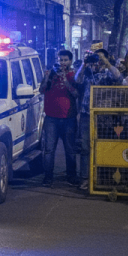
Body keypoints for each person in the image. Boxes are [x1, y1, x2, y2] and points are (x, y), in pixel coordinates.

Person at [75, 48, 122, 191]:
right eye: (96, 59)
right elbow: (77, 79)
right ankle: (85, 179)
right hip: (86, 114)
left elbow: (118, 77)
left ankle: (104, 178)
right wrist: (84, 64)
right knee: (85, 148)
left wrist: (105, 61)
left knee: (104, 146)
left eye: (100, 59)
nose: (97, 62)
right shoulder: (88, 71)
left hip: (104, 115)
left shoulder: (108, 72)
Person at [39, 49, 79, 186]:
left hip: (69, 118)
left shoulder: (74, 75)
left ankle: (71, 176)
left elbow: (76, 94)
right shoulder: (51, 74)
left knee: (70, 150)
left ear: (70, 61)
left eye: (65, 60)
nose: (62, 63)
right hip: (51, 118)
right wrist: (47, 77)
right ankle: (48, 177)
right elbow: (41, 90)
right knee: (49, 149)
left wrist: (66, 82)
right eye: (60, 60)